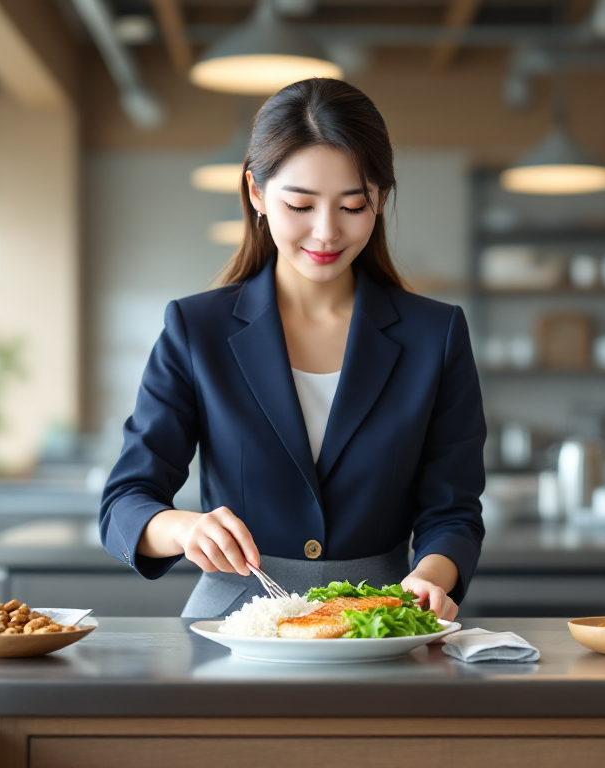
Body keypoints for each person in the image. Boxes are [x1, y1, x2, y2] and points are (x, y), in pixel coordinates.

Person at [99, 78, 485, 620]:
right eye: (300, 204)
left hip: (382, 620)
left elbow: (455, 511)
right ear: (256, 193)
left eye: (353, 206)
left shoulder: (435, 334)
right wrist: (186, 528)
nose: (326, 232)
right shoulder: (196, 328)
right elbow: (124, 502)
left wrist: (427, 577)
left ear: (380, 199)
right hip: (234, 621)